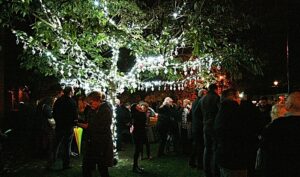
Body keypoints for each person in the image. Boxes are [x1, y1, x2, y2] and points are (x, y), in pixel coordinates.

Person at [262, 91, 300, 177]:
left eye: (286, 101)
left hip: (281, 169)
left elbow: (266, 147)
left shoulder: (277, 125)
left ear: (289, 105)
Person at [77, 91, 114, 177]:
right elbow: (90, 123)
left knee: (102, 167)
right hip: (92, 141)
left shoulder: (106, 109)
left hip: (101, 142)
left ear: (98, 100)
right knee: (87, 166)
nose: (90, 105)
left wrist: (87, 126)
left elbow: (101, 126)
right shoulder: (93, 110)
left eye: (91, 102)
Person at [214, 88, 247, 177]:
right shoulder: (235, 112)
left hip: (224, 155)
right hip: (234, 157)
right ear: (233, 98)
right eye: (238, 97)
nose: (240, 99)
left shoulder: (222, 111)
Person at [52, 86, 78, 169]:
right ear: (70, 92)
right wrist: (74, 122)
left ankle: (51, 163)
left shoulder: (58, 101)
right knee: (67, 146)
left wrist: (57, 121)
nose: (74, 92)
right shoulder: (72, 102)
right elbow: (75, 115)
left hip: (59, 126)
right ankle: (65, 164)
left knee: (56, 145)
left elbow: (54, 112)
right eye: (73, 90)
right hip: (68, 126)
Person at [200, 83, 220, 177]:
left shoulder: (203, 98)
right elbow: (219, 112)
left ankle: (206, 171)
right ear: (216, 89)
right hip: (214, 125)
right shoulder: (216, 98)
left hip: (205, 125)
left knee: (207, 148)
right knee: (215, 148)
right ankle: (215, 171)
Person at [189, 88, 207, 169]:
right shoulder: (201, 102)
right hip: (199, 126)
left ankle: (192, 161)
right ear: (203, 94)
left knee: (196, 145)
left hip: (195, 126)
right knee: (200, 146)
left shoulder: (195, 102)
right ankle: (200, 164)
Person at [131, 102, 147, 174]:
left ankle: (136, 166)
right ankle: (135, 167)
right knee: (137, 150)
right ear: (135, 108)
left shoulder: (138, 114)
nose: (139, 106)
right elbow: (143, 119)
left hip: (140, 133)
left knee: (139, 149)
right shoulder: (136, 115)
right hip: (137, 134)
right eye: (138, 105)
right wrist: (142, 111)